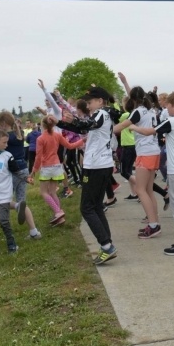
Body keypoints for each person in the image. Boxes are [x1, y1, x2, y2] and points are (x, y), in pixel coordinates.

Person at [130, 92, 174, 256]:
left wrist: (134, 127)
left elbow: (149, 131)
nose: (166, 108)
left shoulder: (171, 122)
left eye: (168, 105)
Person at [55, 87, 118, 265]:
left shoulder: (101, 114)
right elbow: (83, 128)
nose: (88, 105)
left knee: (87, 208)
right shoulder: (102, 114)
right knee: (96, 205)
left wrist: (72, 119)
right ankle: (107, 244)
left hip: (96, 166)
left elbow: (87, 125)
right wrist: (59, 123)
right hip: (102, 164)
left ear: (100, 101)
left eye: (90, 102)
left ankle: (106, 246)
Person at [113, 79, 165, 239]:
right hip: (154, 152)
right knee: (148, 190)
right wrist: (125, 82)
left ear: (133, 100)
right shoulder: (150, 110)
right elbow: (134, 96)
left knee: (141, 190)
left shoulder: (137, 112)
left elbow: (120, 126)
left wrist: (103, 130)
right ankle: (153, 221)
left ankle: (153, 225)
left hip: (145, 153)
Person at [0, 112, 42, 240]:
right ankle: (34, 231)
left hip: (12, 170)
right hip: (23, 169)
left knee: (2, 200)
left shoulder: (5, 137)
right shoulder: (19, 134)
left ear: (4, 124)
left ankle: (9, 233)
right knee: (22, 200)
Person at [32, 116, 83, 227]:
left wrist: (34, 170)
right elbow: (70, 146)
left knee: (44, 192)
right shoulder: (57, 135)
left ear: (42, 125)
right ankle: (59, 217)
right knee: (52, 192)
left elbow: (38, 156)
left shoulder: (40, 138)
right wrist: (82, 140)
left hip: (46, 167)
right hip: (57, 166)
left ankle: (58, 212)